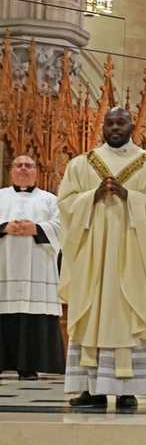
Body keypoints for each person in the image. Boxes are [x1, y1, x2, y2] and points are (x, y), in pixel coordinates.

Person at [59, 107, 146, 409]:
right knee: (91, 312)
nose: (114, 127)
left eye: (121, 122)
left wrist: (129, 197)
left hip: (133, 256)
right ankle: (90, 388)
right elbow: (66, 205)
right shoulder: (81, 165)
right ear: (103, 126)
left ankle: (127, 388)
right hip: (92, 257)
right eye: (109, 123)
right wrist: (91, 197)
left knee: (129, 313)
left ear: (132, 125)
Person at [0, 155, 65, 380]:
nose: (24, 169)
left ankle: (30, 365)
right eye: (19, 165)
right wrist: (4, 227)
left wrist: (36, 228)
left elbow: (62, 227)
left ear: (37, 171)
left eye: (29, 166)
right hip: (4, 266)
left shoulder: (50, 200)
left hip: (38, 266)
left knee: (33, 315)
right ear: (11, 170)